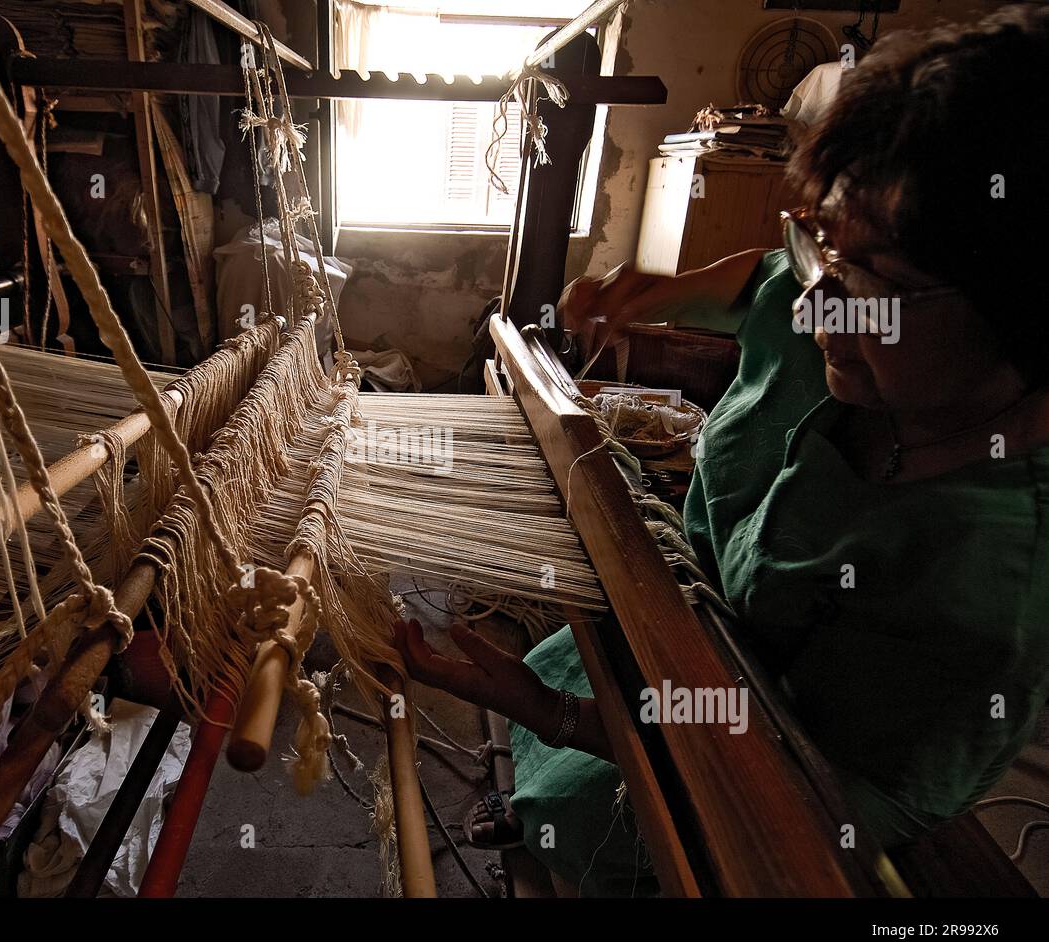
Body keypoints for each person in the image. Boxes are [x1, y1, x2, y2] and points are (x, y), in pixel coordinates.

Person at [394, 5, 1049, 893]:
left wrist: (544, 709)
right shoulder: (871, 334)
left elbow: (781, 787)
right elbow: (774, 279)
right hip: (710, 619)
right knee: (594, 695)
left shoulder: (981, 583)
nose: (818, 307)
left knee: (614, 825)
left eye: (876, 285)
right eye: (827, 249)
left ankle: (568, 811)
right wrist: (658, 289)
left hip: (783, 783)